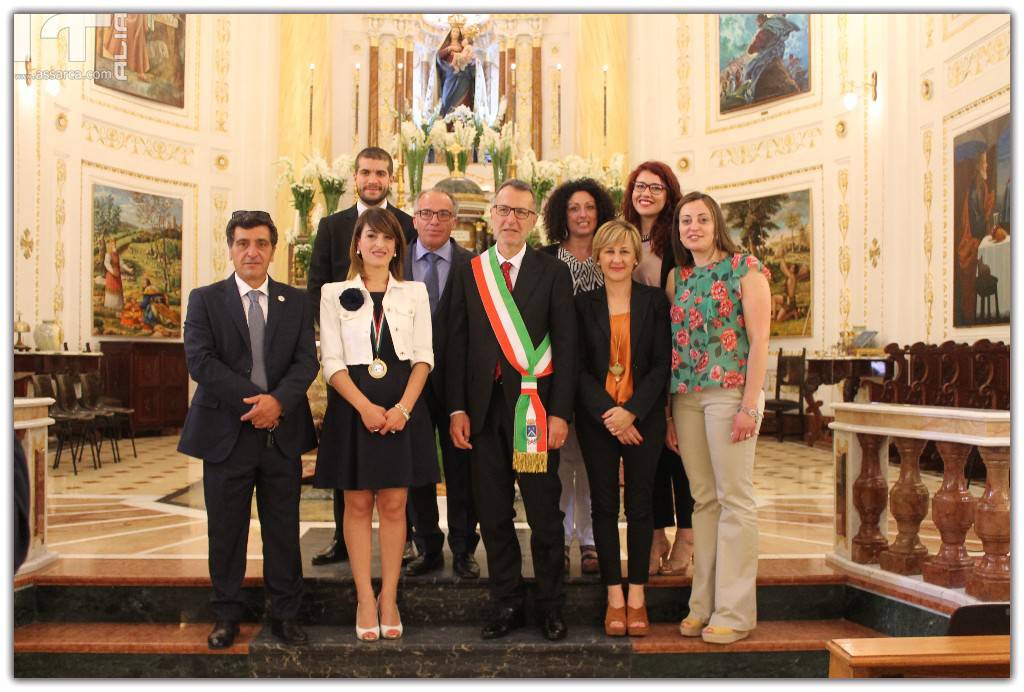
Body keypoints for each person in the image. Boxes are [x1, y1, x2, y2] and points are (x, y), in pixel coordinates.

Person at [178, 210, 319, 649]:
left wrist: (278, 403)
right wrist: (258, 402)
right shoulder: (205, 299)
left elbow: (306, 361)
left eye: (261, 243)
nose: (252, 251)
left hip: (280, 435)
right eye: (243, 243)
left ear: (273, 250)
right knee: (226, 532)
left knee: (283, 530)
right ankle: (226, 616)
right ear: (230, 248)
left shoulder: (296, 301)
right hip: (226, 434)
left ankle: (286, 615)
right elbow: (201, 362)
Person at [447, 179, 577, 641]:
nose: (511, 219)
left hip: (534, 413)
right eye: (504, 209)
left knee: (543, 513)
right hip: (483, 415)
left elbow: (567, 345)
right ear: (492, 213)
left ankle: (551, 605)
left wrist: (560, 413)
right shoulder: (470, 272)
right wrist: (457, 409)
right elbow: (456, 343)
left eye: (521, 212)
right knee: (494, 512)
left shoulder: (552, 271)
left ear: (533, 219)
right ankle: (505, 602)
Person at [314, 207, 436, 642]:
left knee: (395, 504)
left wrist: (403, 409)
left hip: (403, 409)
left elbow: (424, 357)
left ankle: (389, 597)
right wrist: (365, 406)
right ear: (358, 244)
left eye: (387, 238)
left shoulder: (415, 293)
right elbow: (331, 361)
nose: (379, 245)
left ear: (397, 247)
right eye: (371, 236)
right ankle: (365, 597)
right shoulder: (334, 292)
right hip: (354, 409)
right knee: (358, 504)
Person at [666, 191, 771, 645]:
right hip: (686, 397)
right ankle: (702, 605)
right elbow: (673, 344)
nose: (693, 227)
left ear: (717, 225)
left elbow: (761, 340)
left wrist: (750, 404)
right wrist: (669, 414)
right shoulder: (678, 278)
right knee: (703, 501)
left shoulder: (746, 269)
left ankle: (735, 610)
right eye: (685, 221)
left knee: (734, 499)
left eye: (702, 219)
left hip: (729, 394)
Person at [307, 147, 418, 568]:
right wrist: (328, 335)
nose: (373, 179)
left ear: (391, 178)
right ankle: (342, 538)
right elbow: (316, 283)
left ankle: (406, 539)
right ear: (355, 177)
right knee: (348, 463)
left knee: (398, 472)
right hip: (349, 361)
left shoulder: (406, 224)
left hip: (396, 357)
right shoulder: (332, 225)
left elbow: (410, 283)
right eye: (366, 172)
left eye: (381, 173)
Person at [575, 220, 671, 637]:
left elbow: (662, 364)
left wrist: (631, 412)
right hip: (598, 421)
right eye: (609, 251)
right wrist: (610, 414)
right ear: (598, 257)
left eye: (624, 252)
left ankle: (637, 596)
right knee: (603, 506)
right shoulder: (582, 304)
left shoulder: (654, 302)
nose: (616, 259)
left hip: (642, 419)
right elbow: (576, 368)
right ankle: (614, 596)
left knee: (640, 506)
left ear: (636, 258)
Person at [402, 189, 481, 580]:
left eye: (443, 214)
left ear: (455, 220)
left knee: (462, 467)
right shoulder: (394, 262)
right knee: (416, 465)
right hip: (407, 385)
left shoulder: (474, 265)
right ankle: (427, 545)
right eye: (426, 213)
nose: (434, 221)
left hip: (460, 384)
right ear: (414, 218)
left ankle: (464, 547)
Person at [541, 177, 617, 576]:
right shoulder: (546, 258)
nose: (582, 215)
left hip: (603, 376)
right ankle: (560, 538)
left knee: (591, 461)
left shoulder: (613, 256)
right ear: (562, 215)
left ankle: (588, 540)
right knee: (559, 460)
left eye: (589, 207)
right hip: (554, 373)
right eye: (574, 208)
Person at [623, 161, 694, 576]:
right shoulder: (624, 235)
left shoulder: (679, 239)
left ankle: (687, 535)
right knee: (646, 452)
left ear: (670, 194)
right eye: (639, 186)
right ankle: (654, 534)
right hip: (636, 356)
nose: (645, 193)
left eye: (655, 187)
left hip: (677, 352)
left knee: (677, 448)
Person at [743, 14, 801, 103]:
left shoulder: (774, 68)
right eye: (757, 37)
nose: (755, 41)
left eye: (760, 38)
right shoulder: (760, 65)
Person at [436, 23, 476, 116]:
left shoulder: (463, 46)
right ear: (450, 33)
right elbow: (439, 56)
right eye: (454, 31)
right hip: (449, 73)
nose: (455, 33)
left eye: (457, 32)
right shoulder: (446, 44)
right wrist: (449, 48)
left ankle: (462, 117)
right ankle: (447, 116)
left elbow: (469, 57)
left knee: (463, 96)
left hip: (463, 75)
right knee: (446, 96)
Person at [103, 237, 125, 311]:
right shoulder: (108, 254)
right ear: (110, 244)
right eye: (112, 243)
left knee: (118, 288)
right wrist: (112, 271)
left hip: (117, 274)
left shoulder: (117, 254)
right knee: (111, 288)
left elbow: (121, 263)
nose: (114, 244)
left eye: (115, 243)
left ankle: (118, 306)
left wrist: (128, 269)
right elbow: (106, 264)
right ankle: (110, 306)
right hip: (111, 274)